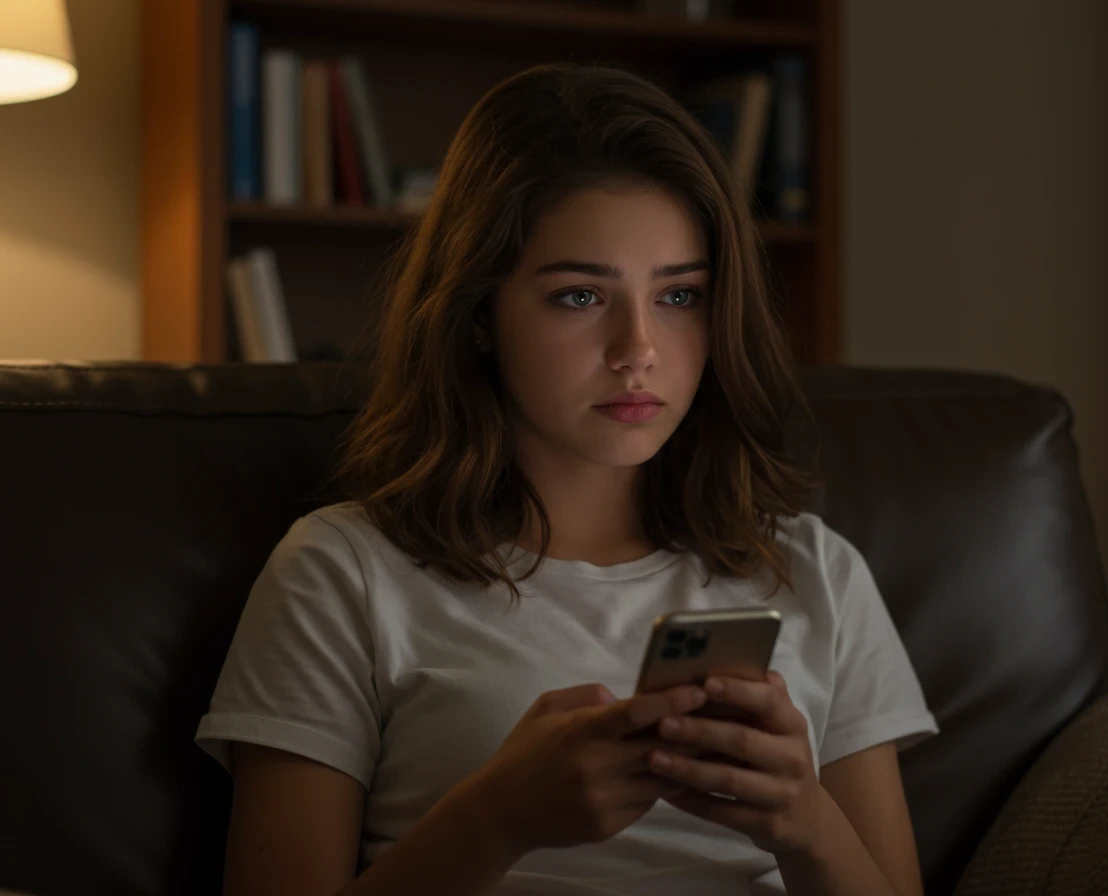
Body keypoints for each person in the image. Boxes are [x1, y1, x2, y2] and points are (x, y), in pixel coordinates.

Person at [194, 61, 940, 895]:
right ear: (480, 315)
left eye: (681, 296)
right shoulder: (344, 572)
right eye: (581, 297)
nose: (638, 350)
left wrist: (807, 824)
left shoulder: (813, 572)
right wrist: (496, 820)